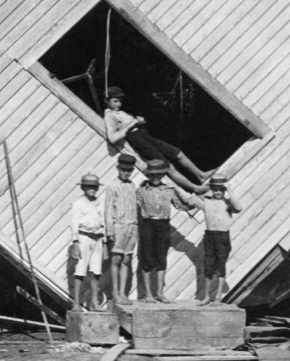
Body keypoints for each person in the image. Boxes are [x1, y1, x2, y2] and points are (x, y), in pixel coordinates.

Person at [102, 86, 211, 194]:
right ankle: (195, 188)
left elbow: (131, 124)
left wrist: (139, 122)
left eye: (120, 101)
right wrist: (132, 124)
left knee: (177, 153)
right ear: (107, 101)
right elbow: (112, 138)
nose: (118, 104)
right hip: (138, 141)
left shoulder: (120, 112)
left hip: (144, 136)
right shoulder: (109, 116)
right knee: (168, 166)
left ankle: (201, 175)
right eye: (115, 101)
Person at [135, 159, 198, 303]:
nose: (155, 178)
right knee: (147, 258)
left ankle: (159, 293)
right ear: (148, 175)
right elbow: (135, 207)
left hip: (163, 224)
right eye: (152, 175)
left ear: (162, 175)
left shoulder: (169, 190)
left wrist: (194, 204)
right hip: (147, 224)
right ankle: (147, 294)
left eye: (158, 175)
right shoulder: (141, 190)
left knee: (161, 257)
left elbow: (179, 205)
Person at [194, 174, 242, 304]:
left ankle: (218, 297)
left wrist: (230, 191)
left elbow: (239, 207)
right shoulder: (207, 202)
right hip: (210, 236)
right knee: (208, 266)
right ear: (212, 189)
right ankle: (207, 296)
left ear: (224, 190)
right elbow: (191, 200)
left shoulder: (228, 204)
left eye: (221, 190)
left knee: (221, 266)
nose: (218, 192)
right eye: (215, 189)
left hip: (223, 237)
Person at [103, 152, 139, 304]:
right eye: (123, 169)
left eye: (129, 170)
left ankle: (124, 292)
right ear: (118, 168)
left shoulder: (132, 186)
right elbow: (108, 210)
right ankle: (115, 292)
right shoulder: (112, 186)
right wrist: (109, 232)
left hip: (132, 226)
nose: (126, 173)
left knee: (127, 259)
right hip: (119, 226)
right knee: (116, 259)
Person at [69, 172, 107, 310]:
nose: (92, 189)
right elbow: (74, 224)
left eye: (94, 187)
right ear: (83, 188)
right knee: (80, 271)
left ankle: (94, 303)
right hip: (83, 238)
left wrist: (104, 243)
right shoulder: (78, 204)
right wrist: (75, 244)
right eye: (88, 186)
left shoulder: (100, 203)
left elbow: (103, 223)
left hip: (97, 239)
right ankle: (76, 303)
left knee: (96, 271)